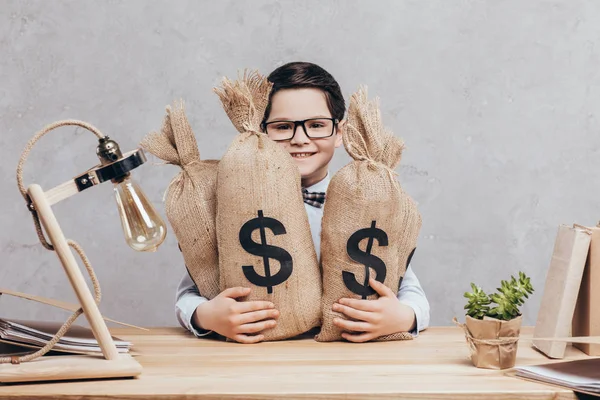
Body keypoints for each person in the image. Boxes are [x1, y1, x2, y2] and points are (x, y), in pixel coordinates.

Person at [175, 61, 430, 344]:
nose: (300, 139)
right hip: (259, 357)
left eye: (316, 125)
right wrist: (204, 316)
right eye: (283, 127)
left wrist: (405, 317)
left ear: (340, 132)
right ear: (261, 131)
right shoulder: (233, 203)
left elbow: (410, 290)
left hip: (349, 359)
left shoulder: (366, 200)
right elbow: (189, 292)